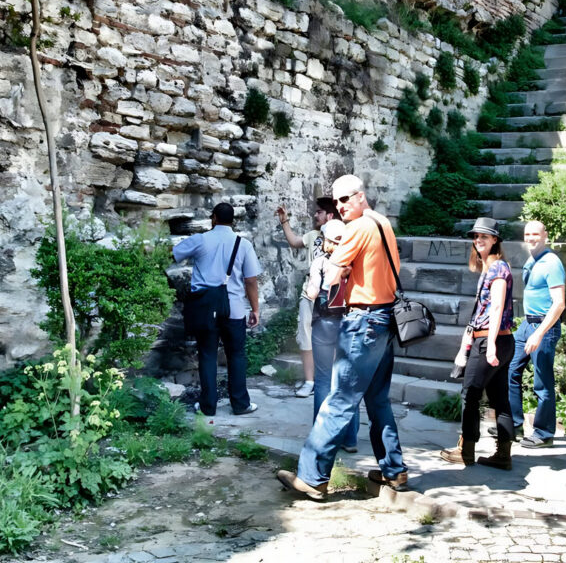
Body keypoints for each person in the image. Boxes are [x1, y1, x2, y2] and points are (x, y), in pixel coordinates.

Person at [277, 174, 407, 500]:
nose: (340, 206)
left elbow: (331, 277)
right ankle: (395, 471)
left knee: (339, 398)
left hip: (363, 321)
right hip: (384, 317)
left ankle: (313, 476)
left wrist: (339, 263)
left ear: (361, 196)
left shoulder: (358, 227)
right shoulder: (382, 223)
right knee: (377, 400)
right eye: (336, 202)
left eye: (345, 199)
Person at [440, 217, 516, 469]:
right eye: (475, 236)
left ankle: (466, 450)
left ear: (495, 240)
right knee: (499, 398)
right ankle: (503, 455)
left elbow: (497, 306)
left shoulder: (497, 268)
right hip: (500, 340)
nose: (478, 240)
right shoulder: (491, 268)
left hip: (490, 341)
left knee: (470, 394)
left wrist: (490, 343)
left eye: (484, 236)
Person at [173, 202, 262, 416]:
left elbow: (175, 253)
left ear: (213, 218)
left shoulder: (201, 240)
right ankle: (240, 404)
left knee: (207, 355)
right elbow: (251, 280)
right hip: (234, 308)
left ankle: (208, 407)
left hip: (206, 308)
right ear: (233, 220)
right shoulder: (243, 244)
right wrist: (255, 309)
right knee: (237, 355)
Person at [506, 220, 566, 448]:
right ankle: (513, 423)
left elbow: (559, 304)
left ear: (545, 236)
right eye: (527, 234)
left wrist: (539, 333)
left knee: (542, 382)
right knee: (509, 369)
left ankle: (544, 433)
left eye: (535, 234)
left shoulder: (552, 263)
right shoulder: (532, 259)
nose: (531, 238)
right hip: (526, 325)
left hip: (544, 327)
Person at [303, 218, 360, 452]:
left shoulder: (321, 262)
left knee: (324, 379)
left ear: (328, 241)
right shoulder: (355, 263)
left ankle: (322, 436)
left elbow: (313, 291)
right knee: (348, 382)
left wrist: (311, 288)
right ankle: (350, 440)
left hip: (326, 324)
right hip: (351, 325)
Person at [276, 197, 340, 398]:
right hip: (309, 293)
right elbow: (295, 242)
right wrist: (284, 221)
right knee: (305, 337)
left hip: (333, 295)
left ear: (329, 215)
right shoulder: (313, 235)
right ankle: (309, 381)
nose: (315, 215)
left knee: (333, 338)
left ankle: (332, 381)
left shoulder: (342, 235)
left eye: (319, 212)